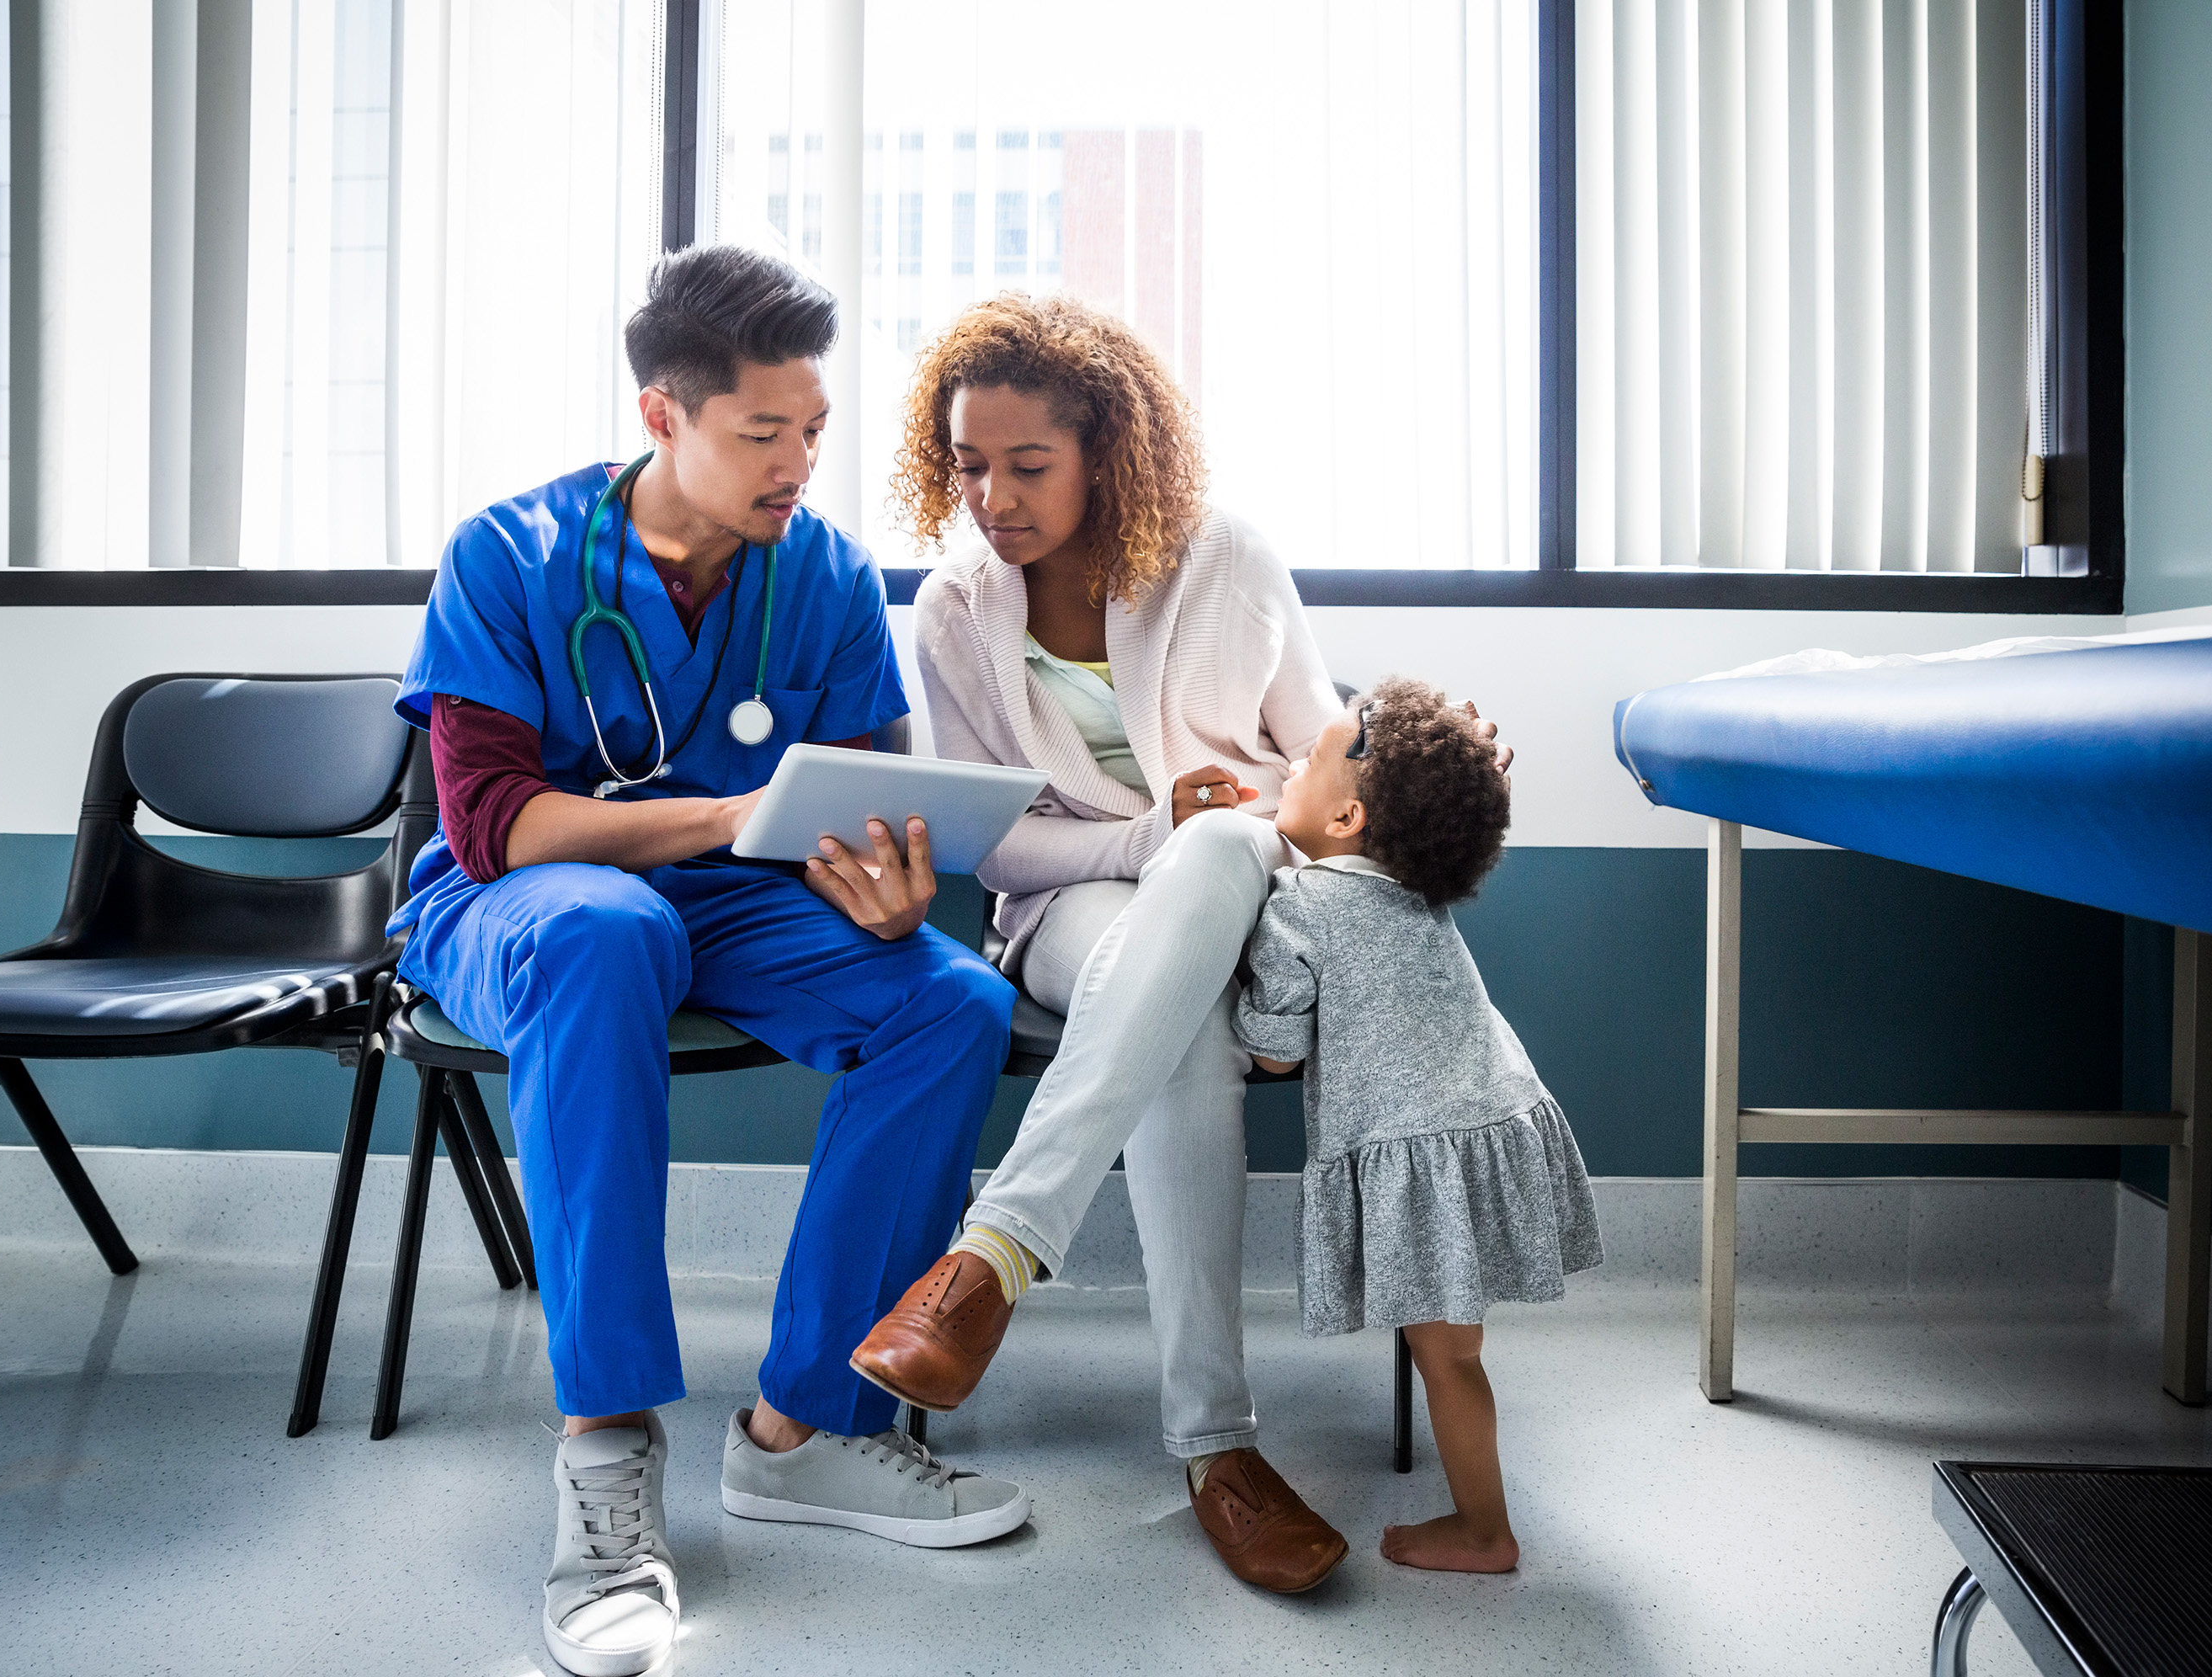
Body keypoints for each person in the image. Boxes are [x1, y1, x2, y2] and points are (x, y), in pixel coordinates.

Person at [390, 246, 1027, 1677]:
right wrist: (724, 818)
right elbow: (496, 824)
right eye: (764, 433)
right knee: (609, 929)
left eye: (812, 428)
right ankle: (607, 1457)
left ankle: (806, 1430)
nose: (800, 461)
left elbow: (855, 803)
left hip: (735, 904)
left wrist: (879, 886)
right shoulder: (511, 555)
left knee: (950, 1001)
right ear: (663, 416)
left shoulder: (823, 575)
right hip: (522, 907)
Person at [848, 292, 1500, 1594]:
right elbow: (994, 843)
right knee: (1179, 984)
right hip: (1066, 906)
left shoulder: (1227, 563)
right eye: (969, 465)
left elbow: (1322, 771)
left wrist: (1407, 777)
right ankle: (1217, 1450)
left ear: (1106, 449)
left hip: (1249, 881)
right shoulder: (954, 610)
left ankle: (990, 1259)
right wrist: (1143, 838)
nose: (994, 498)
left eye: (1028, 465)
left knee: (1213, 854)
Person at [1238, 679, 1603, 1572]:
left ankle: (1485, 1530)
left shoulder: (1301, 906)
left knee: (1448, 1361)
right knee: (1457, 1355)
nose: (1288, 764)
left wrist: (1239, 986)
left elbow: (1277, 1053)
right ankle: (1483, 1521)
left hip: (1422, 1145)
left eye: (1308, 760)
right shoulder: (1414, 886)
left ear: (1350, 814)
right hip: (1488, 1118)